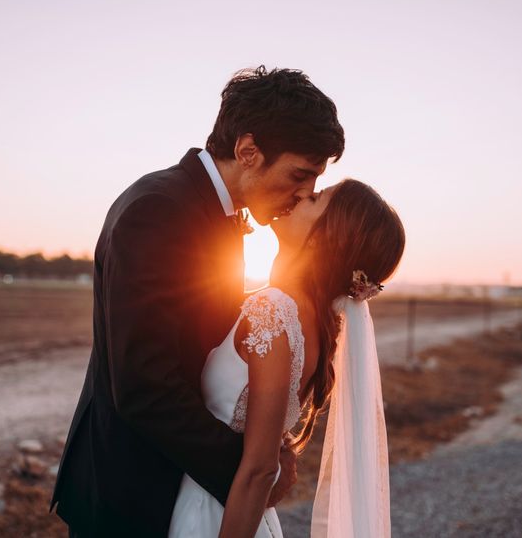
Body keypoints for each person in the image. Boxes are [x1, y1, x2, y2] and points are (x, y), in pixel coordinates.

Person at [51, 66, 345, 537]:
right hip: (131, 489)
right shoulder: (160, 210)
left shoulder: (217, 213)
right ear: (248, 151)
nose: (306, 191)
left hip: (172, 484)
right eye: (300, 174)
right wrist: (253, 468)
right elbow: (143, 383)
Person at [167, 179, 405, 537]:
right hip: (244, 510)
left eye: (317, 197)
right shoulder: (314, 320)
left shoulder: (274, 310)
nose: (301, 194)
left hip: (216, 512)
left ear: (329, 236)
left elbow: (261, 469)